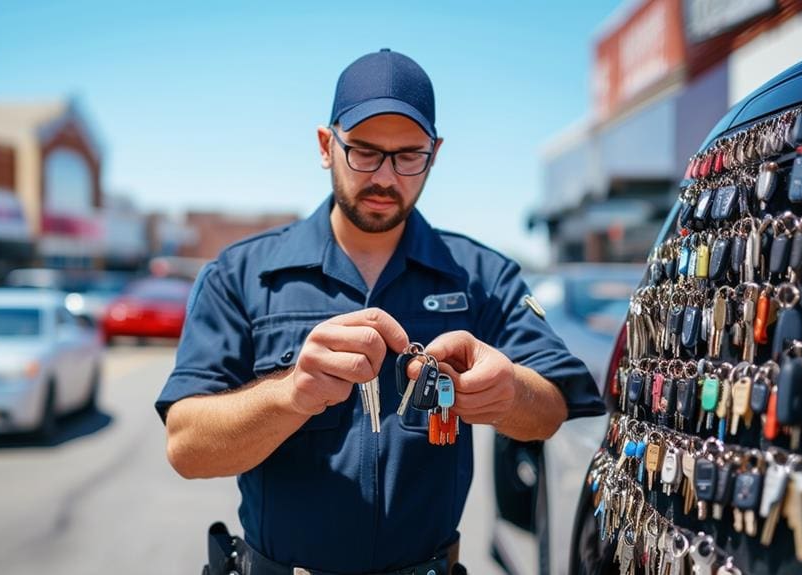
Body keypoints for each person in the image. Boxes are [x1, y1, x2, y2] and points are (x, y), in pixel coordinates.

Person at [157, 48, 603, 575]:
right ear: (327, 145)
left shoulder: (481, 276)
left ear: (434, 153)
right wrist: (291, 393)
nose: (386, 178)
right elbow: (187, 446)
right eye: (364, 153)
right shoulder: (243, 275)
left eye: (409, 156)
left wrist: (508, 393)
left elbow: (553, 408)